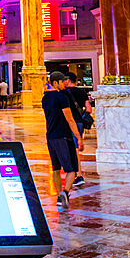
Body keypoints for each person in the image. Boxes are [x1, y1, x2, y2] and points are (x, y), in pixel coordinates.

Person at [41, 72, 83, 211]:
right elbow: (70, 119)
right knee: (71, 169)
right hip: (63, 136)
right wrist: (79, 137)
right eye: (61, 81)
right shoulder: (62, 97)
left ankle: (59, 197)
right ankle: (65, 192)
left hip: (50, 136)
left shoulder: (45, 99)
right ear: (55, 83)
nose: (64, 83)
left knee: (56, 169)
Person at [64, 73, 88, 188]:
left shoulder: (64, 93)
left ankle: (78, 175)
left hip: (70, 123)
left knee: (74, 149)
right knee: (75, 147)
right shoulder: (82, 92)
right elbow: (88, 108)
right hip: (80, 122)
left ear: (68, 81)